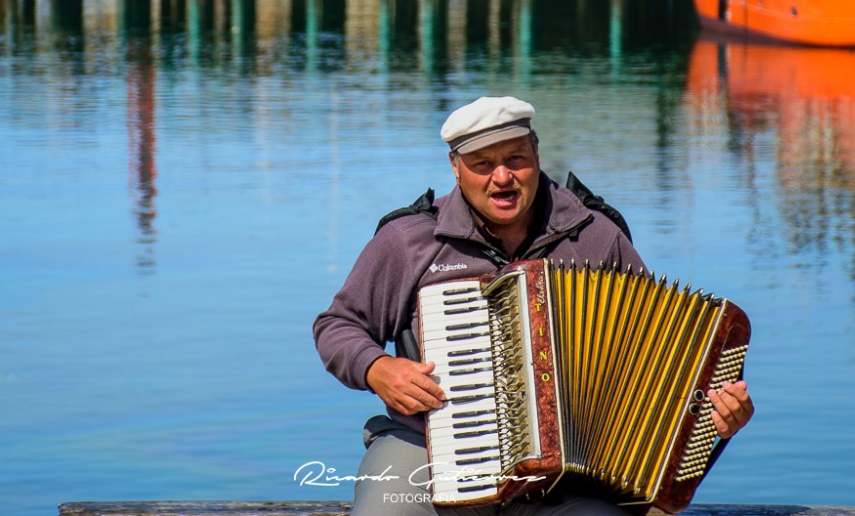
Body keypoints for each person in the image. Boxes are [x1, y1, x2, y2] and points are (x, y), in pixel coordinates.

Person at [313, 96, 754, 516]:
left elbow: (662, 360)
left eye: (515, 159)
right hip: (422, 446)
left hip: (567, 479)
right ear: (455, 167)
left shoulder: (596, 235)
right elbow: (338, 325)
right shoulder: (409, 240)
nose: (501, 177)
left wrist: (712, 419)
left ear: (537, 153)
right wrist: (377, 368)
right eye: (482, 164)